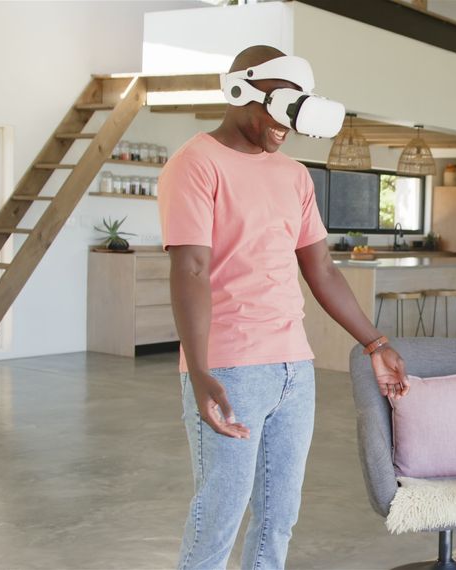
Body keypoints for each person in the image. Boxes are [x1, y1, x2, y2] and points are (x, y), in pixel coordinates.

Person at [157, 45, 410, 570]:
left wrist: (375, 343)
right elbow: (191, 270)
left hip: (296, 369)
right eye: (280, 111)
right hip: (230, 369)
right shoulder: (195, 163)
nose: (286, 127)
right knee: (219, 516)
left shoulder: (294, 175)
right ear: (241, 93)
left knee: (279, 516)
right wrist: (199, 370)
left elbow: (322, 269)